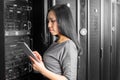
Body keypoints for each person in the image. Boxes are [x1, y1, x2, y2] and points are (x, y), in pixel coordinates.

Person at [29, 4, 81, 80]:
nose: (49, 25)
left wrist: (42, 70)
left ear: (63, 21)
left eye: (52, 21)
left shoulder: (69, 45)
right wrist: (40, 63)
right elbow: (53, 69)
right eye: (48, 21)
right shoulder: (56, 42)